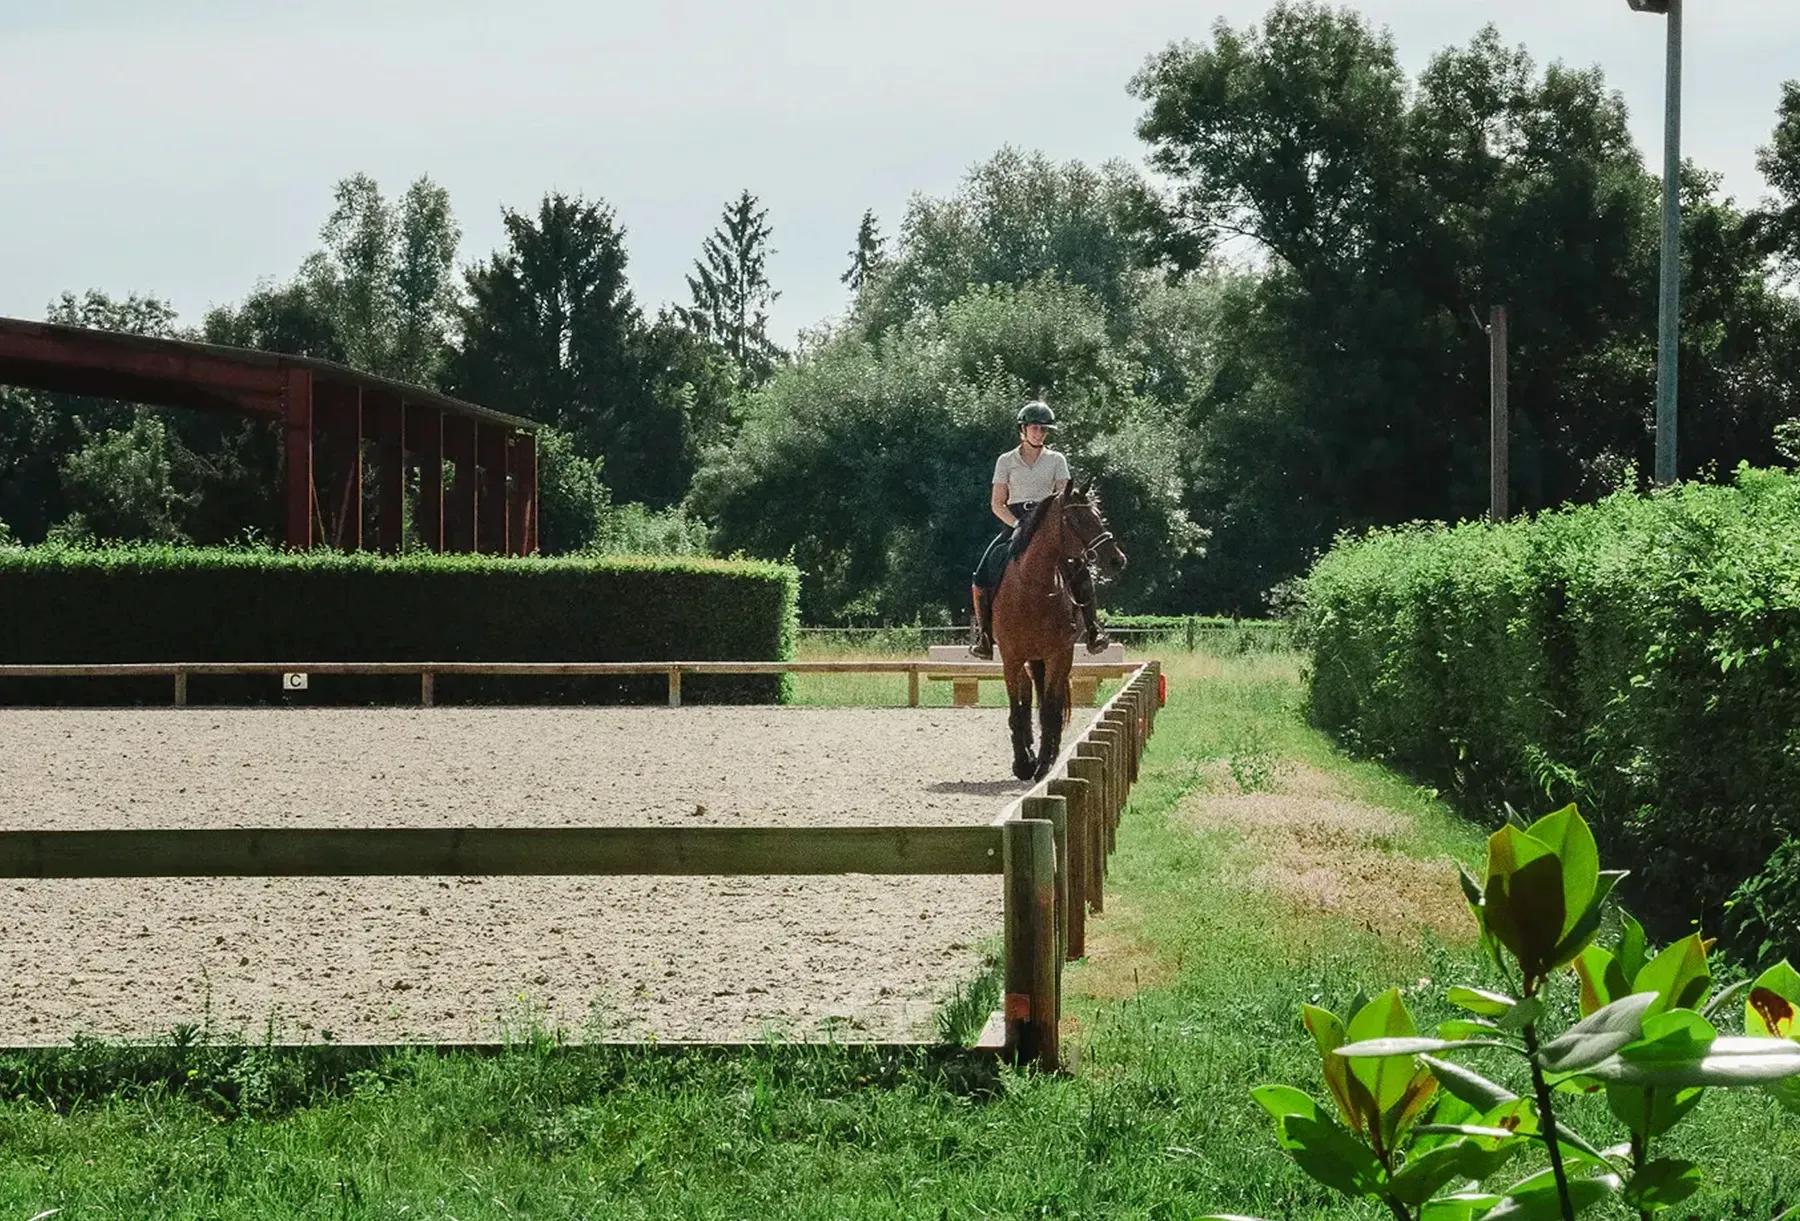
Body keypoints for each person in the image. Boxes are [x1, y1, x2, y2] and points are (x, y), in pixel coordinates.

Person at [968, 401, 1112, 660]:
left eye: (1044, 430)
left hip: (1049, 525)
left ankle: (1093, 629)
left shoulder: (1057, 460)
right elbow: (997, 503)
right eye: (1035, 428)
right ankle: (984, 636)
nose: (1040, 434)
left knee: (1080, 569)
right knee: (982, 573)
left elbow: (1063, 497)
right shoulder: (1006, 461)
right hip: (1016, 522)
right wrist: (1017, 524)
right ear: (1023, 429)